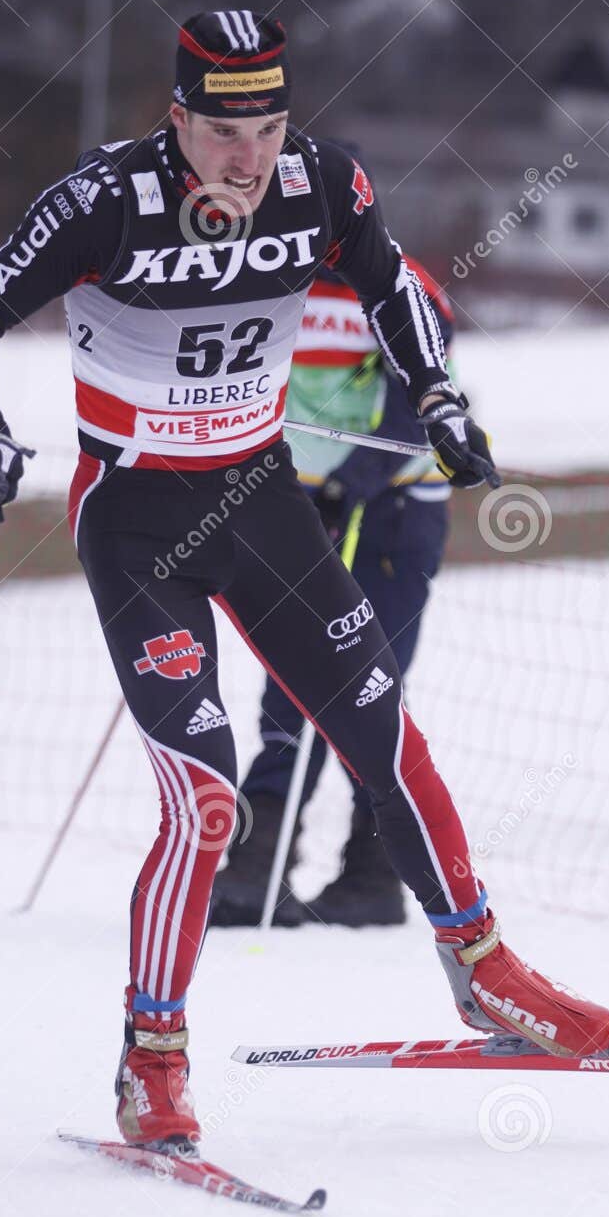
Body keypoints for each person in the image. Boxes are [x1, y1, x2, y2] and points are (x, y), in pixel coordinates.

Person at [0, 8, 609, 1155]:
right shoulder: (105, 201)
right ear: (177, 119)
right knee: (206, 797)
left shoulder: (320, 184)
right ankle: (152, 1058)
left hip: (260, 506)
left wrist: (440, 401)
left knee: (382, 729)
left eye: (267, 128)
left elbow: (393, 290)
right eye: (224, 131)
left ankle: (481, 966)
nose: (248, 157)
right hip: (139, 529)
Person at [210, 228, 454, 930]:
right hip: (295, 509)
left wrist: (351, 483)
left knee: (365, 688)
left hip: (391, 512)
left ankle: (375, 872)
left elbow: (417, 408)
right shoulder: (263, 281)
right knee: (291, 681)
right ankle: (258, 865)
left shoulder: (403, 288)